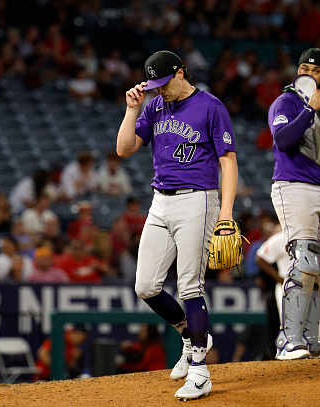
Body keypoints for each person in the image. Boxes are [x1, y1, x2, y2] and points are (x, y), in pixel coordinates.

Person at [116, 50, 238, 400]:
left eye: (163, 82)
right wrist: (131, 108)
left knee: (190, 286)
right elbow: (125, 149)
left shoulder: (211, 106)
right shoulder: (154, 106)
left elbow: (228, 163)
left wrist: (225, 213)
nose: (159, 90)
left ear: (181, 72)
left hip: (197, 199)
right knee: (145, 286)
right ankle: (190, 335)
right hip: (160, 201)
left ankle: (200, 370)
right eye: (153, 84)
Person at [267, 48, 320, 360]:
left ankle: (310, 338)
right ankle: (288, 341)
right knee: (304, 261)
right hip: (294, 185)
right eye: (304, 67)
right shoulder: (285, 102)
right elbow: (283, 139)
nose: (309, 73)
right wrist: (310, 109)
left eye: (317, 70)